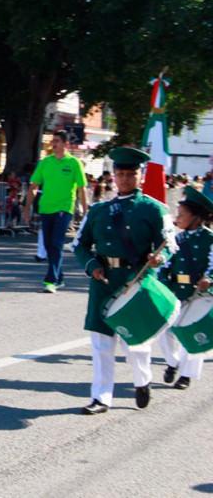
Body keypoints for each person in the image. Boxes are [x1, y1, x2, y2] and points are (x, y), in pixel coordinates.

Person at [72, 146, 176, 414]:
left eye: (131, 173)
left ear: (140, 175)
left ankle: (142, 380)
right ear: (113, 177)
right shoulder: (98, 210)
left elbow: (169, 244)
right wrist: (92, 264)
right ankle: (101, 397)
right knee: (101, 343)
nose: (126, 178)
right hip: (104, 281)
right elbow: (79, 244)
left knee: (137, 344)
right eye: (120, 173)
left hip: (136, 281)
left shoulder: (154, 209)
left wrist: (159, 258)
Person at [157, 186, 213, 389]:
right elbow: (164, 267)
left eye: (182, 214)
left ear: (197, 217)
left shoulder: (210, 239)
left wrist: (210, 278)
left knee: (193, 334)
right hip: (176, 293)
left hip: (199, 295)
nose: (177, 217)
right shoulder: (176, 239)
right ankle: (173, 362)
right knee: (164, 331)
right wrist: (162, 283)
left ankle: (186, 375)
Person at [24, 130, 88, 293]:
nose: (54, 144)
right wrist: (27, 207)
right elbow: (34, 186)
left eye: (57, 141)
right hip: (46, 208)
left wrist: (86, 211)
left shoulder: (74, 163)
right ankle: (59, 277)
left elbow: (82, 188)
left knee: (56, 243)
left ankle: (50, 280)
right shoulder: (45, 162)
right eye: (53, 141)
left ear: (66, 144)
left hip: (64, 208)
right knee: (48, 244)